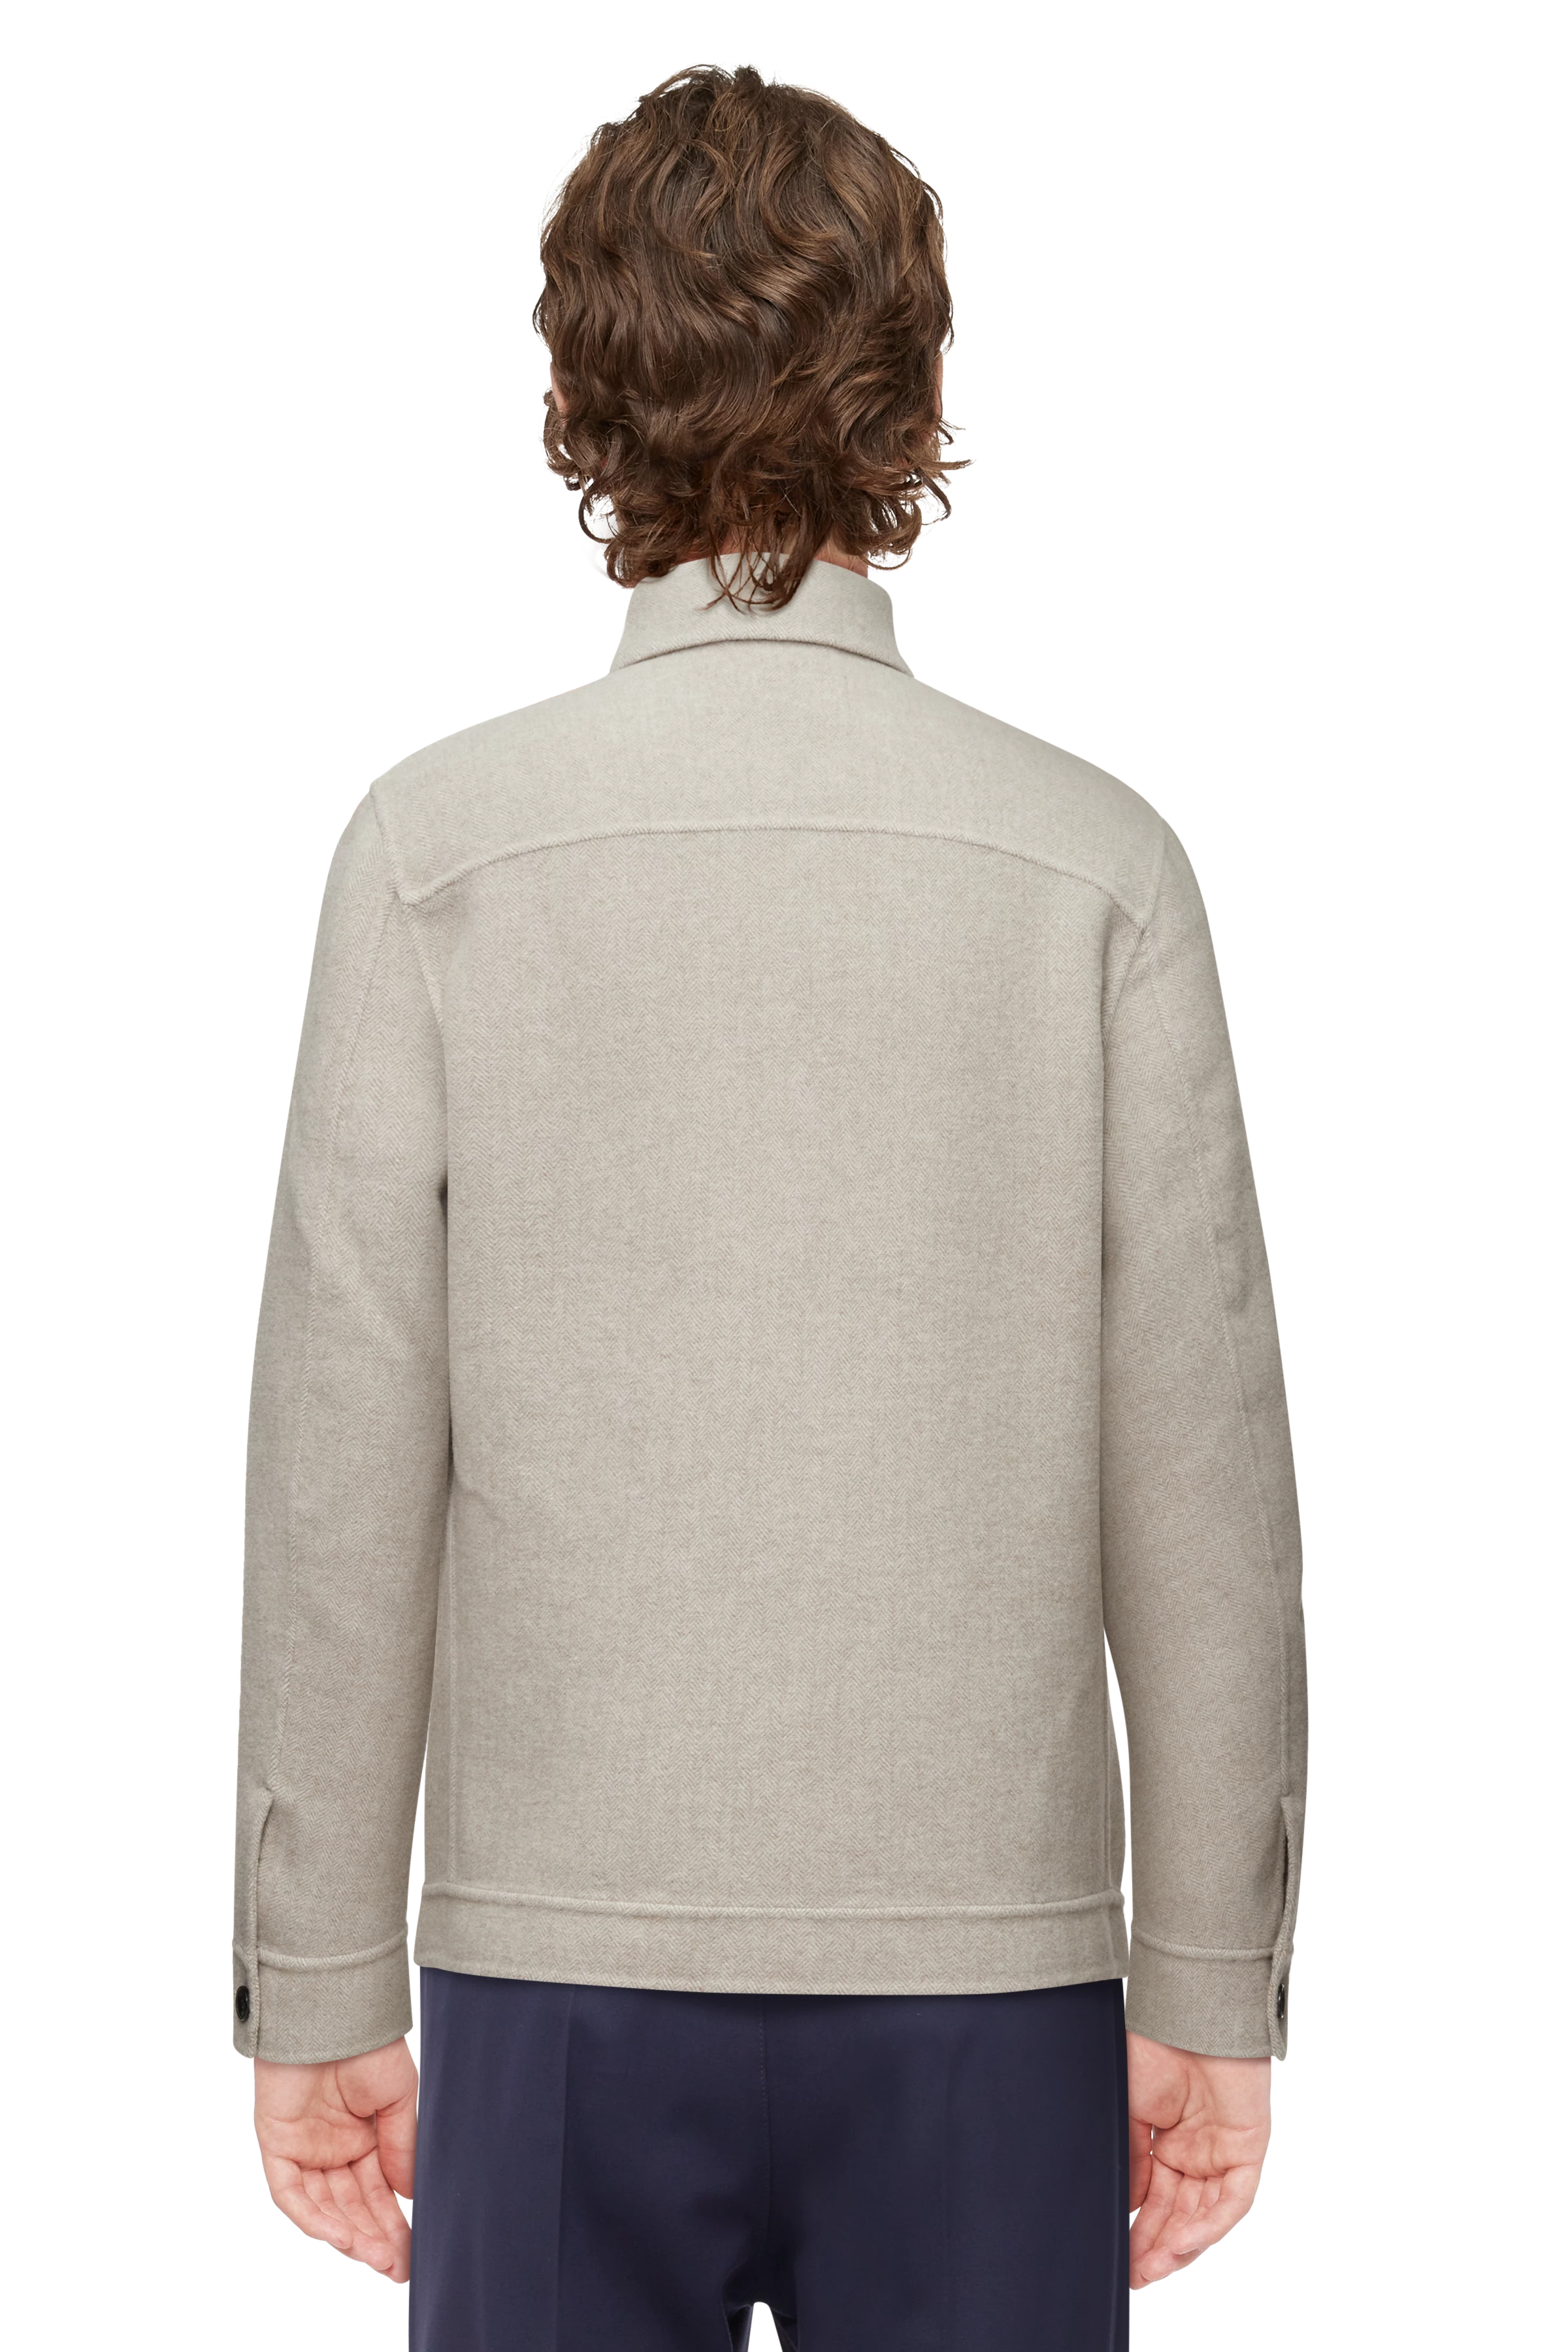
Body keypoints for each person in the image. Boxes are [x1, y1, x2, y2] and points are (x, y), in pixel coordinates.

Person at [233, 57, 1307, 2345]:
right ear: (915, 399)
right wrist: (1214, 1969)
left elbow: (345, 1455)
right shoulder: (1093, 862)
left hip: (551, 1967)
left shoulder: (435, 852)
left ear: (577, 406)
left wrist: (312, 1975)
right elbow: (1200, 1469)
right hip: (992, 1980)